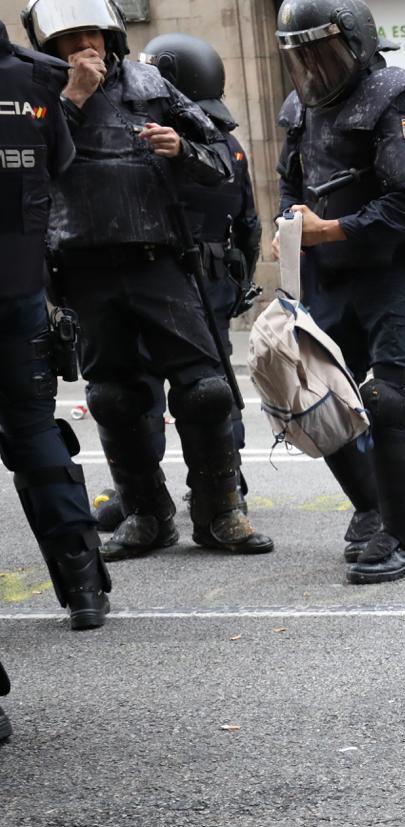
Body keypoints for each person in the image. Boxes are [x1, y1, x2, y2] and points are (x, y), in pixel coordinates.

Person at [24, 0, 271, 561]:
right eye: (68, 38)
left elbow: (221, 160)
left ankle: (220, 511)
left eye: (91, 32)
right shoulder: (35, 94)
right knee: (113, 396)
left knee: (206, 390)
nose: (82, 45)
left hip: (157, 258)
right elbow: (25, 164)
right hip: (83, 265)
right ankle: (144, 514)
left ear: (111, 33)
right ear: (48, 47)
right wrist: (72, 101)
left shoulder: (152, 84)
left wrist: (183, 149)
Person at [275, 0, 405, 582]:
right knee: (321, 397)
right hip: (328, 276)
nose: (315, 66)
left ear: (356, 43)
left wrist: (334, 229)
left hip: (394, 274)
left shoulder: (395, 98)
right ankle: (374, 510)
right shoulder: (300, 106)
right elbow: (289, 180)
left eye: (324, 51)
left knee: (389, 400)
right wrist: (288, 228)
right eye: (303, 55)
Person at [90, 31, 259, 532]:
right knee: (213, 386)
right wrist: (238, 280)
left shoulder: (156, 138)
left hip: (167, 276)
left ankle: (145, 498)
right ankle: (230, 489)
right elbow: (248, 222)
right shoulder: (224, 139)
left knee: (148, 387)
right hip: (215, 280)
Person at [0, 16, 110, 630]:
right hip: (19, 286)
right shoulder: (39, 82)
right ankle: (86, 589)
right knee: (36, 434)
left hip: (20, 289)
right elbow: (58, 167)